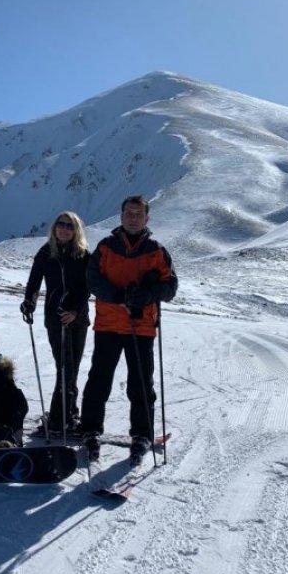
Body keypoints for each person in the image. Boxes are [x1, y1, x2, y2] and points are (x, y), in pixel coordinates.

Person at [80, 195, 178, 465]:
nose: (133, 217)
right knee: (99, 380)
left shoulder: (157, 251)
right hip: (109, 324)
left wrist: (146, 295)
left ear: (147, 218)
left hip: (141, 327)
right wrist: (120, 295)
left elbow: (170, 288)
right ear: (121, 216)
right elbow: (92, 280)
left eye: (138, 213)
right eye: (128, 213)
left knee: (141, 384)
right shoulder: (106, 247)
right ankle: (90, 429)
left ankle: (142, 434)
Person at [20, 211, 90, 434]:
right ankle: (60, 418)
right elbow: (33, 282)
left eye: (69, 226)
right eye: (61, 224)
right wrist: (28, 302)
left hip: (78, 319)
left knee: (72, 368)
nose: (64, 228)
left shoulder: (83, 255)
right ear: (54, 227)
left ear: (76, 230)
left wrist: (75, 310)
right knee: (65, 369)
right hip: (55, 319)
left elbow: (87, 287)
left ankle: (69, 412)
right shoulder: (45, 253)